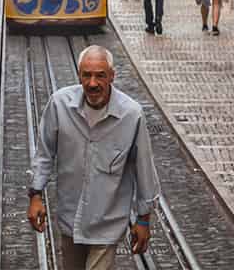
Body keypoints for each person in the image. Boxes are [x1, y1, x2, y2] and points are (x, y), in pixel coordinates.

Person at [27, 45, 159, 270]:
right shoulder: (60, 104)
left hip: (107, 223)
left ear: (112, 76)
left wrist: (143, 218)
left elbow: (144, 169)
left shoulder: (131, 115)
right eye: (86, 75)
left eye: (100, 75)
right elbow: (44, 153)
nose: (92, 83)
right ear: (79, 75)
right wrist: (35, 194)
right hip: (70, 220)